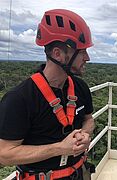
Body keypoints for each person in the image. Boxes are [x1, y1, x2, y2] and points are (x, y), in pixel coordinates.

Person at [0, 9, 95, 180]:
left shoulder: (80, 87)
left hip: (79, 172)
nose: (87, 57)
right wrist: (59, 148)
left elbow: (89, 119)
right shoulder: (20, 98)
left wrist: (85, 134)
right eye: (81, 52)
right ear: (58, 54)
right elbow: (5, 154)